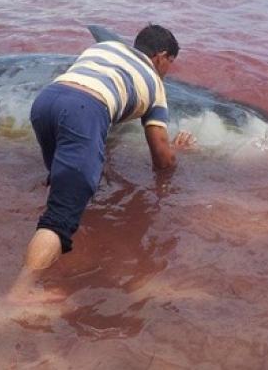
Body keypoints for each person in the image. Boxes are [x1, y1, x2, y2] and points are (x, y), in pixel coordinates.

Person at [12, 24, 196, 296]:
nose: (168, 70)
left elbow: (100, 86)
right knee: (60, 217)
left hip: (47, 102)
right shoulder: (156, 86)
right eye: (170, 63)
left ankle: (60, 233)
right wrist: (177, 152)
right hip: (85, 110)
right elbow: (161, 159)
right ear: (161, 56)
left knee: (63, 182)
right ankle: (20, 293)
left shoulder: (103, 47)